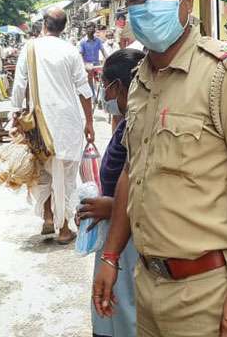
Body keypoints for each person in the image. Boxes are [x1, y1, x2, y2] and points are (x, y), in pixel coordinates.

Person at [93, 0, 227, 337]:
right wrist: (111, 255)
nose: (149, 6)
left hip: (207, 292)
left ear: (187, 0)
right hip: (148, 284)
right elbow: (132, 171)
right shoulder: (140, 80)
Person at [11, 7, 95, 244]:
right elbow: (84, 89)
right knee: (66, 177)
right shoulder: (70, 50)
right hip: (68, 122)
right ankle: (64, 228)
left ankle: (49, 217)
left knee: (43, 172)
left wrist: (14, 114)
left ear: (43, 24)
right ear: (64, 27)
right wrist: (89, 122)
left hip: (39, 124)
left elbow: (19, 85)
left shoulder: (29, 49)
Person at [81, 48, 144, 337]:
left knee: (126, 316)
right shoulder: (127, 124)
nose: (103, 96)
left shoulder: (141, 126)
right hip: (118, 238)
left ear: (117, 87)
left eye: (104, 86)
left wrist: (112, 206)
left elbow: (146, 185)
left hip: (130, 240)